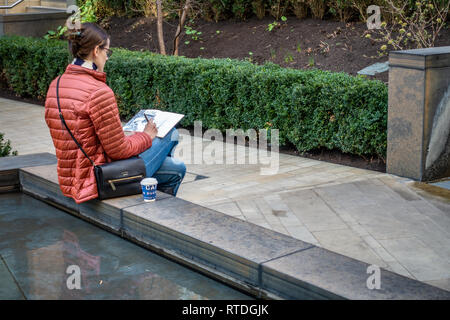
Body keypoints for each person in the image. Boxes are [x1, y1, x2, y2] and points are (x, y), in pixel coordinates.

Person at [44, 22, 186, 204]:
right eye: (107, 52)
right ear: (96, 51)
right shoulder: (98, 91)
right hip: (100, 178)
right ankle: (146, 203)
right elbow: (119, 151)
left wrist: (122, 135)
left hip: (71, 177)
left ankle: (147, 197)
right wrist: (146, 136)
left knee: (176, 168)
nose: (107, 58)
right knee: (171, 134)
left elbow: (82, 137)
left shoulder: (56, 85)